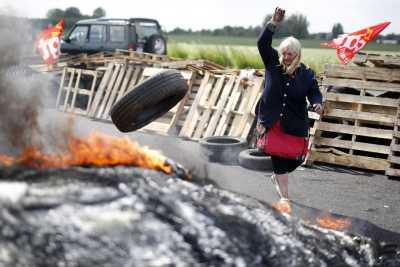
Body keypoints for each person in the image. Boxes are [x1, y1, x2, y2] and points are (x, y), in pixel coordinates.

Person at [255, 7, 323, 203]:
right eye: (284, 53)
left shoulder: (307, 74)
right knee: (277, 156)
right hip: (272, 119)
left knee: (294, 161)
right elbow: (262, 43)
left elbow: (314, 93)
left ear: (298, 54)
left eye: (290, 54)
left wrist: (317, 103)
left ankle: (277, 177)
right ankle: (285, 197)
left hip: (295, 122)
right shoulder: (272, 65)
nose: (286, 58)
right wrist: (273, 23)